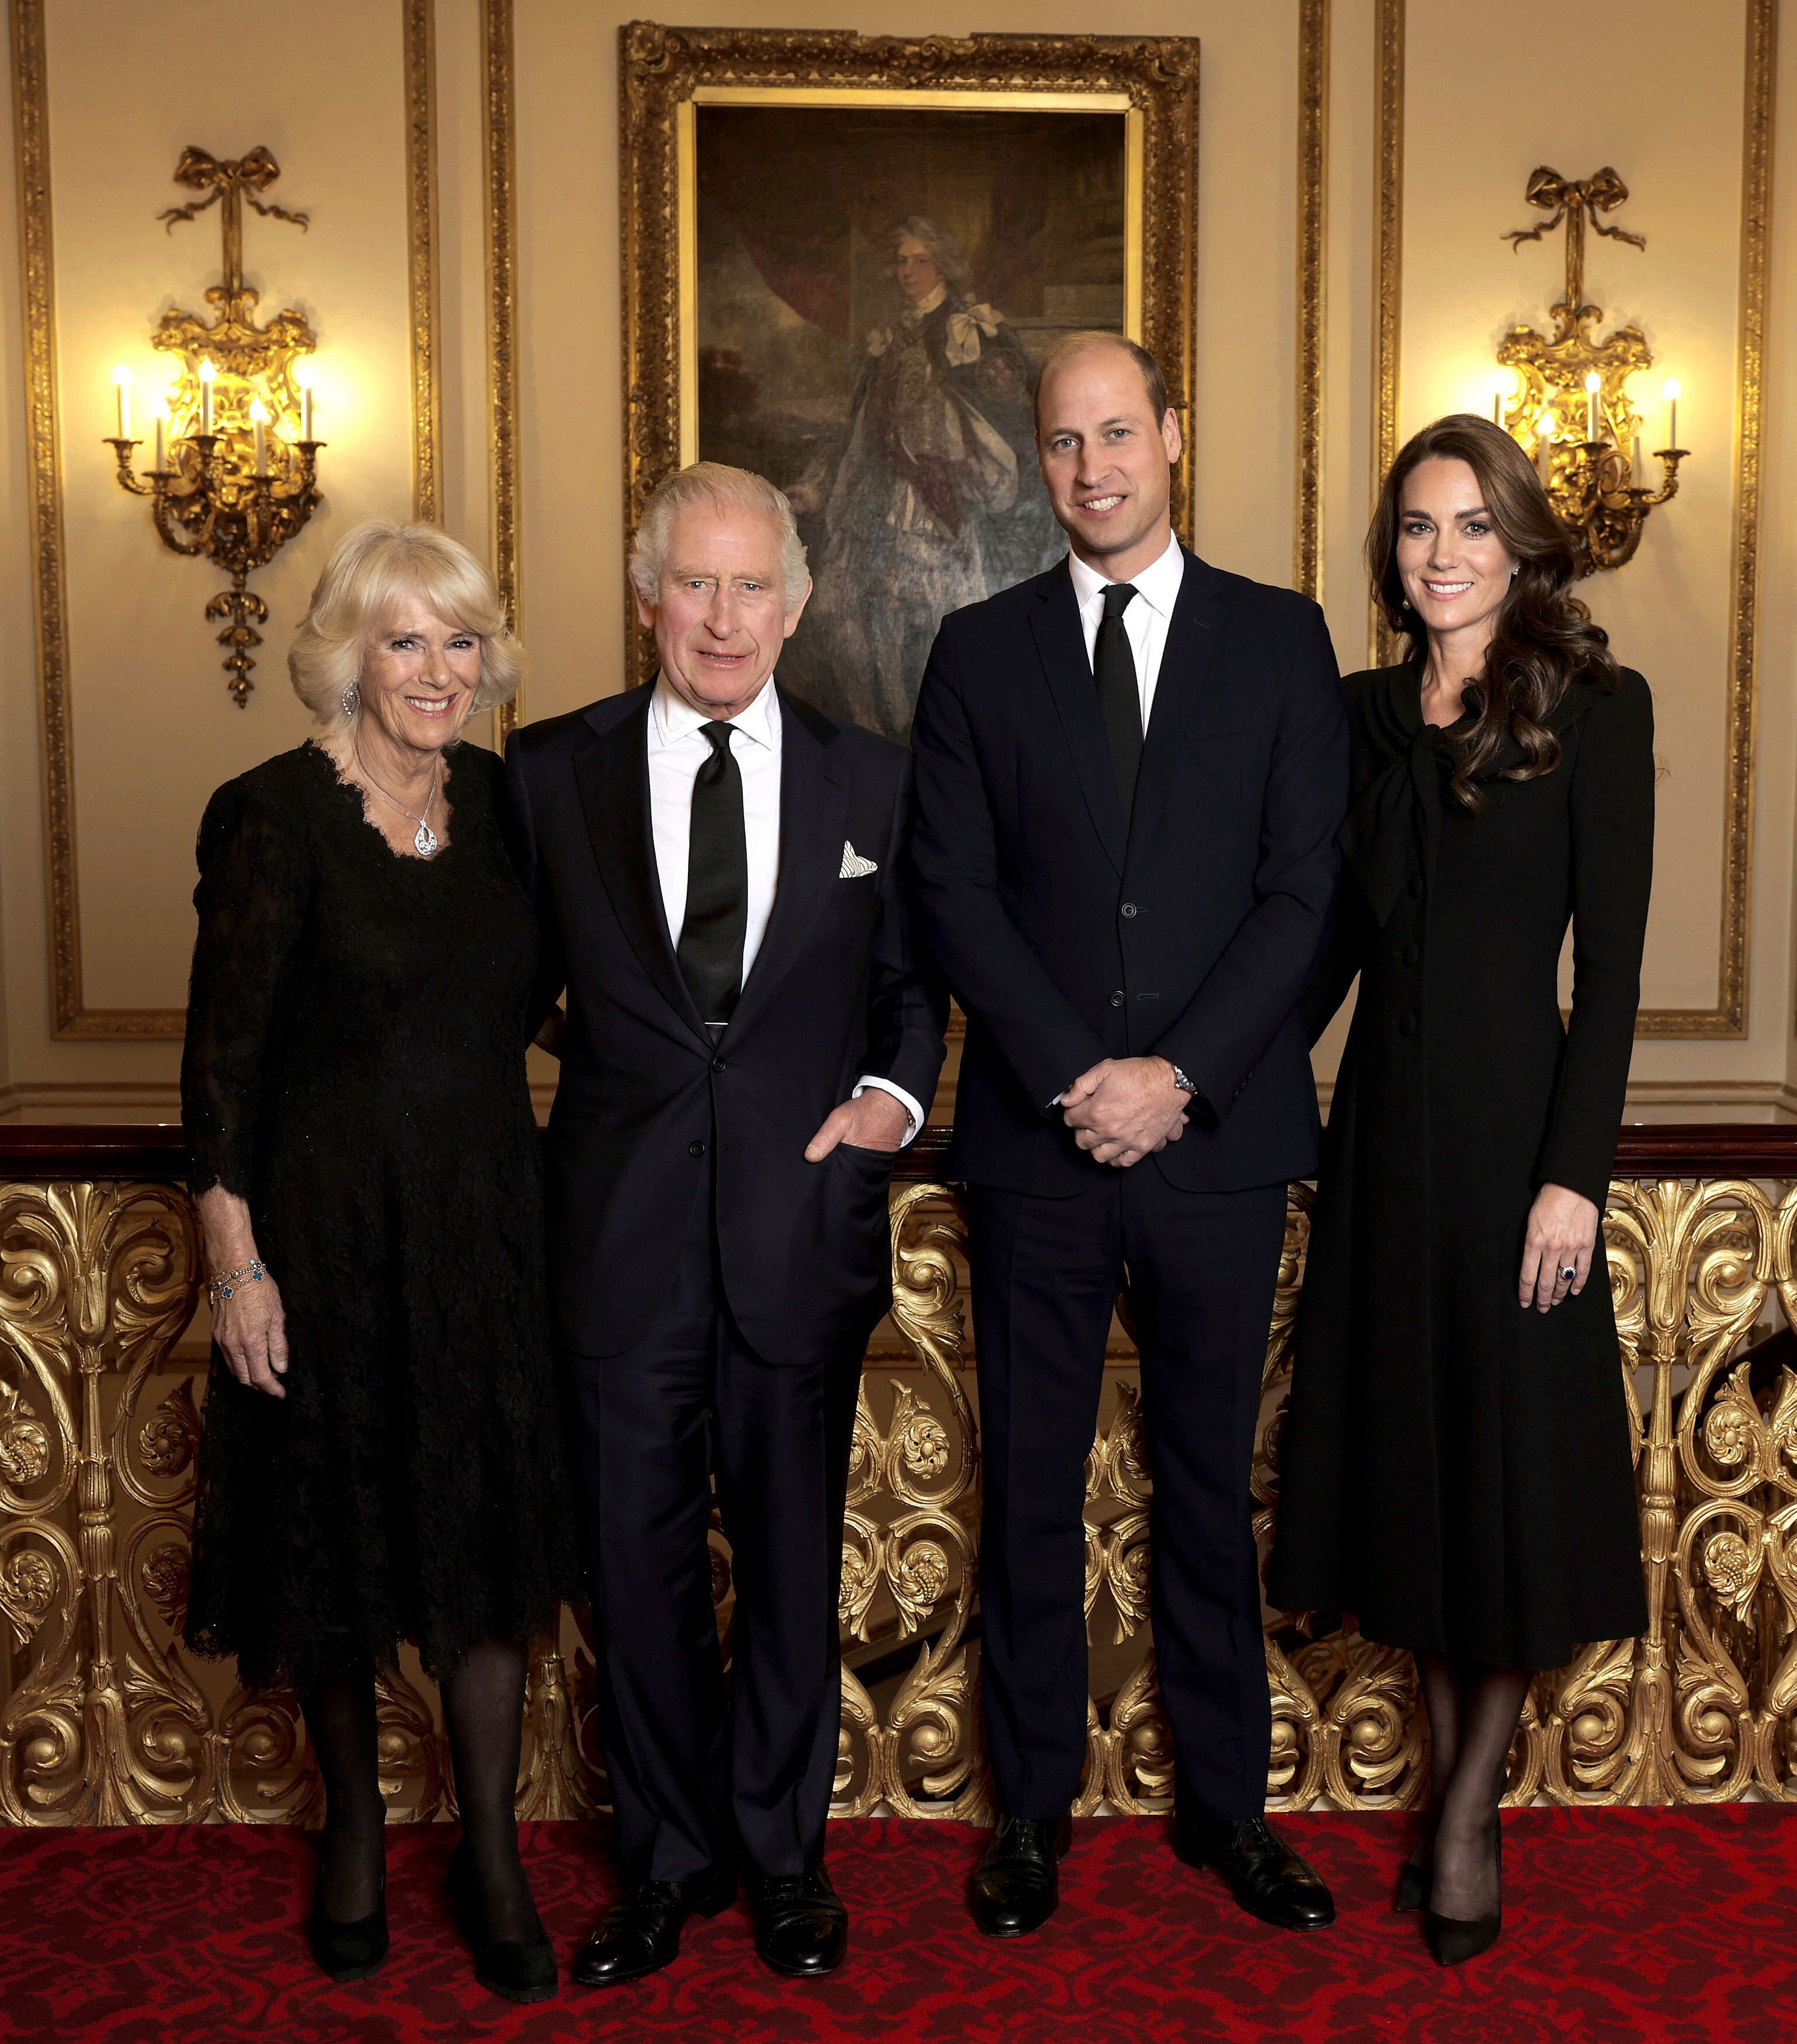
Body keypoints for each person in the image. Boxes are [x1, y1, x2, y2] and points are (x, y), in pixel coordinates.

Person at [909, 333, 1348, 1939]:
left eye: (1116, 432)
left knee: (1199, 1487)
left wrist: (1176, 1076)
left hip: (1216, 1146)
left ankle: (1223, 1810)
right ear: (1036, 461)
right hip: (1037, 1152)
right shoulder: (976, 651)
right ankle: (1028, 1814)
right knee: (1023, 1488)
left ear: (1172, 431)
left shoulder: (1280, 640)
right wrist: (1072, 1075)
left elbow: (1305, 895)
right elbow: (949, 894)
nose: (1090, 467)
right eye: (1059, 442)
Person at [503, 461, 946, 1987]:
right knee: (635, 1583)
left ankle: (781, 1859)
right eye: (692, 583)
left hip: (792, 1236)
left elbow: (904, 988)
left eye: (750, 585)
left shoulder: (868, 781)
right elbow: (492, 987)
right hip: (614, 1244)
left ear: (797, 604)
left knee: (786, 1570)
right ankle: (663, 1863)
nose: (721, 614)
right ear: (646, 598)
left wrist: (888, 1098)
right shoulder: (544, 769)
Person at [1268, 415, 1653, 1966]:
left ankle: (1465, 1812)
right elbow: (1318, 946)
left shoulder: (1595, 710)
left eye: (1470, 527)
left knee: (1497, 1472)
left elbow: (1611, 974)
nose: (1440, 555)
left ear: (1518, 542)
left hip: (1513, 1157)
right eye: (1417, 528)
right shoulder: (1356, 715)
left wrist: (1571, 1178)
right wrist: (1192, 1079)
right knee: (1416, 1474)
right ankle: (1451, 1790)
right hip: (1383, 1145)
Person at [180, 521, 581, 2002]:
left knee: (483, 1560)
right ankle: (352, 1831)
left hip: (484, 1234)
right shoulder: (271, 819)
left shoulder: (506, 805)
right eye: (403, 641)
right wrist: (238, 1267)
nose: (436, 671)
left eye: (459, 641)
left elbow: (545, 1000)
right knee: (339, 1550)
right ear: (347, 654)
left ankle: (489, 1851)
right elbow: (216, 1069)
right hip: (327, 1242)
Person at [785, 214, 1057, 739]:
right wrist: (819, 484)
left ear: (945, 267)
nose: (907, 271)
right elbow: (858, 422)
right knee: (849, 613)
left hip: (937, 497)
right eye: (902, 261)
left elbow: (1012, 409)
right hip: (872, 495)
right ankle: (876, 733)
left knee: (939, 622)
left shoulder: (969, 328)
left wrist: (955, 439)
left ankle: (941, 732)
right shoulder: (889, 336)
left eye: (920, 261)